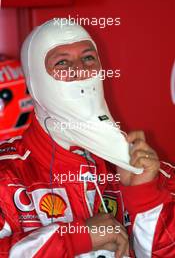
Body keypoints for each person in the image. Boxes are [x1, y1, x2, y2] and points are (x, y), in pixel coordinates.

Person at [0, 18, 174, 258]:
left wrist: (145, 197)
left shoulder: (144, 169)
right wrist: (77, 238)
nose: (80, 70)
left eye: (88, 58)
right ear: (35, 80)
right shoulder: (6, 176)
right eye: (62, 62)